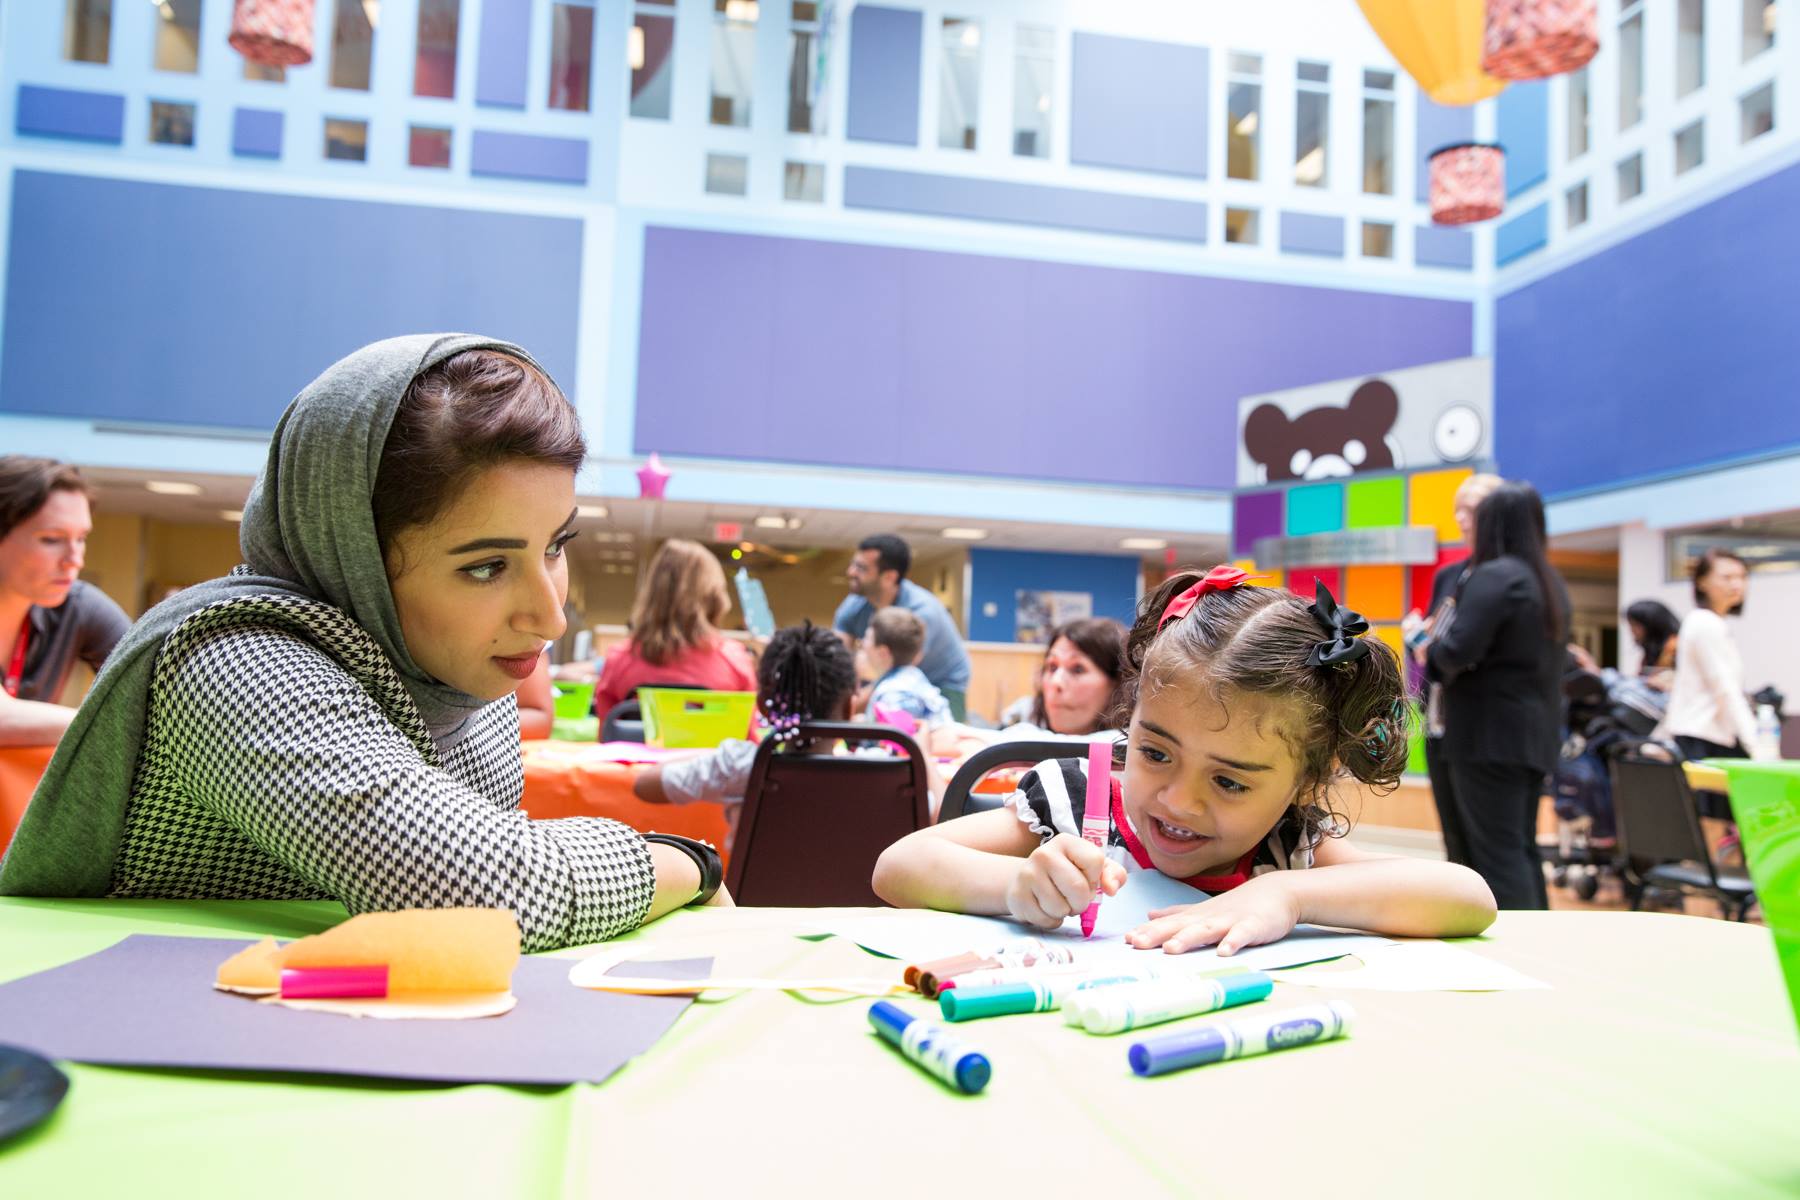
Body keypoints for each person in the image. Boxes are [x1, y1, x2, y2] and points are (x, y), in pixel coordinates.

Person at [0, 336, 725, 949]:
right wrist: (688, 862)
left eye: (558, 546)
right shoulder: (233, 660)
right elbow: (485, 894)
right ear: (349, 553)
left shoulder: (466, 681)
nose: (550, 617)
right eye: (485, 566)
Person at [873, 566, 1495, 953]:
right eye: (1154, 752)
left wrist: (1290, 896)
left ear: (1304, 783)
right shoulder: (1077, 799)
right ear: (1131, 716)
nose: (1178, 800)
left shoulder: (1288, 846)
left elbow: (1466, 896)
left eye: (1229, 781)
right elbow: (899, 865)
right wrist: (1015, 885)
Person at [1424, 482, 1570, 911]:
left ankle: (1513, 951)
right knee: (1519, 849)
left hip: (1486, 738)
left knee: (1492, 856)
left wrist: (1428, 648)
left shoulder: (1495, 576)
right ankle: (1540, 942)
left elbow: (1453, 651)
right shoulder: (1546, 581)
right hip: (1528, 737)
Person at [634, 620, 857, 847]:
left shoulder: (739, 765)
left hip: (758, 884)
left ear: (762, 707)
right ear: (850, 708)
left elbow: (645, 785)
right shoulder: (872, 774)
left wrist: (715, 756)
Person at [1403, 472, 1502, 868]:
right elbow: (1433, 643)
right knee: (1455, 838)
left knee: (1491, 844)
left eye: (1473, 509)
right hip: (1441, 719)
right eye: (1458, 509)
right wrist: (1420, 640)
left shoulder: (1507, 579)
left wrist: (1440, 648)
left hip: (1486, 727)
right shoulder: (1449, 575)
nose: (1462, 519)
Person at [0, 458, 130, 747]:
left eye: (81, 538)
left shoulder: (78, 605)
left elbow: (151, 685)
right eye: (51, 539)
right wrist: (102, 724)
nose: (75, 559)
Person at [592, 538, 756, 718]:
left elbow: (607, 737)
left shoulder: (619, 660)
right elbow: (746, 741)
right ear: (714, 596)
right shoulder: (735, 662)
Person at [835, 534, 971, 720]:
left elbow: (897, 673)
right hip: (888, 675)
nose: (851, 572)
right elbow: (838, 658)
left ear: (889, 577)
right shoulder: (855, 604)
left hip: (941, 684)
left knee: (939, 739)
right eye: (853, 564)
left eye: (861, 568)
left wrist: (844, 710)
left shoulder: (921, 612)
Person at [1664, 549, 1766, 764]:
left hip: (1708, 735)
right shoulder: (1705, 623)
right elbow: (1725, 688)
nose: (1736, 585)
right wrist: (1758, 746)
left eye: (1742, 577)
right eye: (1726, 577)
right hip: (1703, 737)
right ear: (1701, 582)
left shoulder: (1711, 623)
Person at [1000, 617, 1127, 739]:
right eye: (1052, 667)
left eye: (1077, 669)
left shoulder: (1134, 752)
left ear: (1117, 682)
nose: (1056, 682)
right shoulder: (1017, 733)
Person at [860, 608, 952, 728]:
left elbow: (899, 743)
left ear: (883, 652)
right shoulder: (914, 676)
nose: (862, 643)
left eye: (867, 638)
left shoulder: (894, 694)